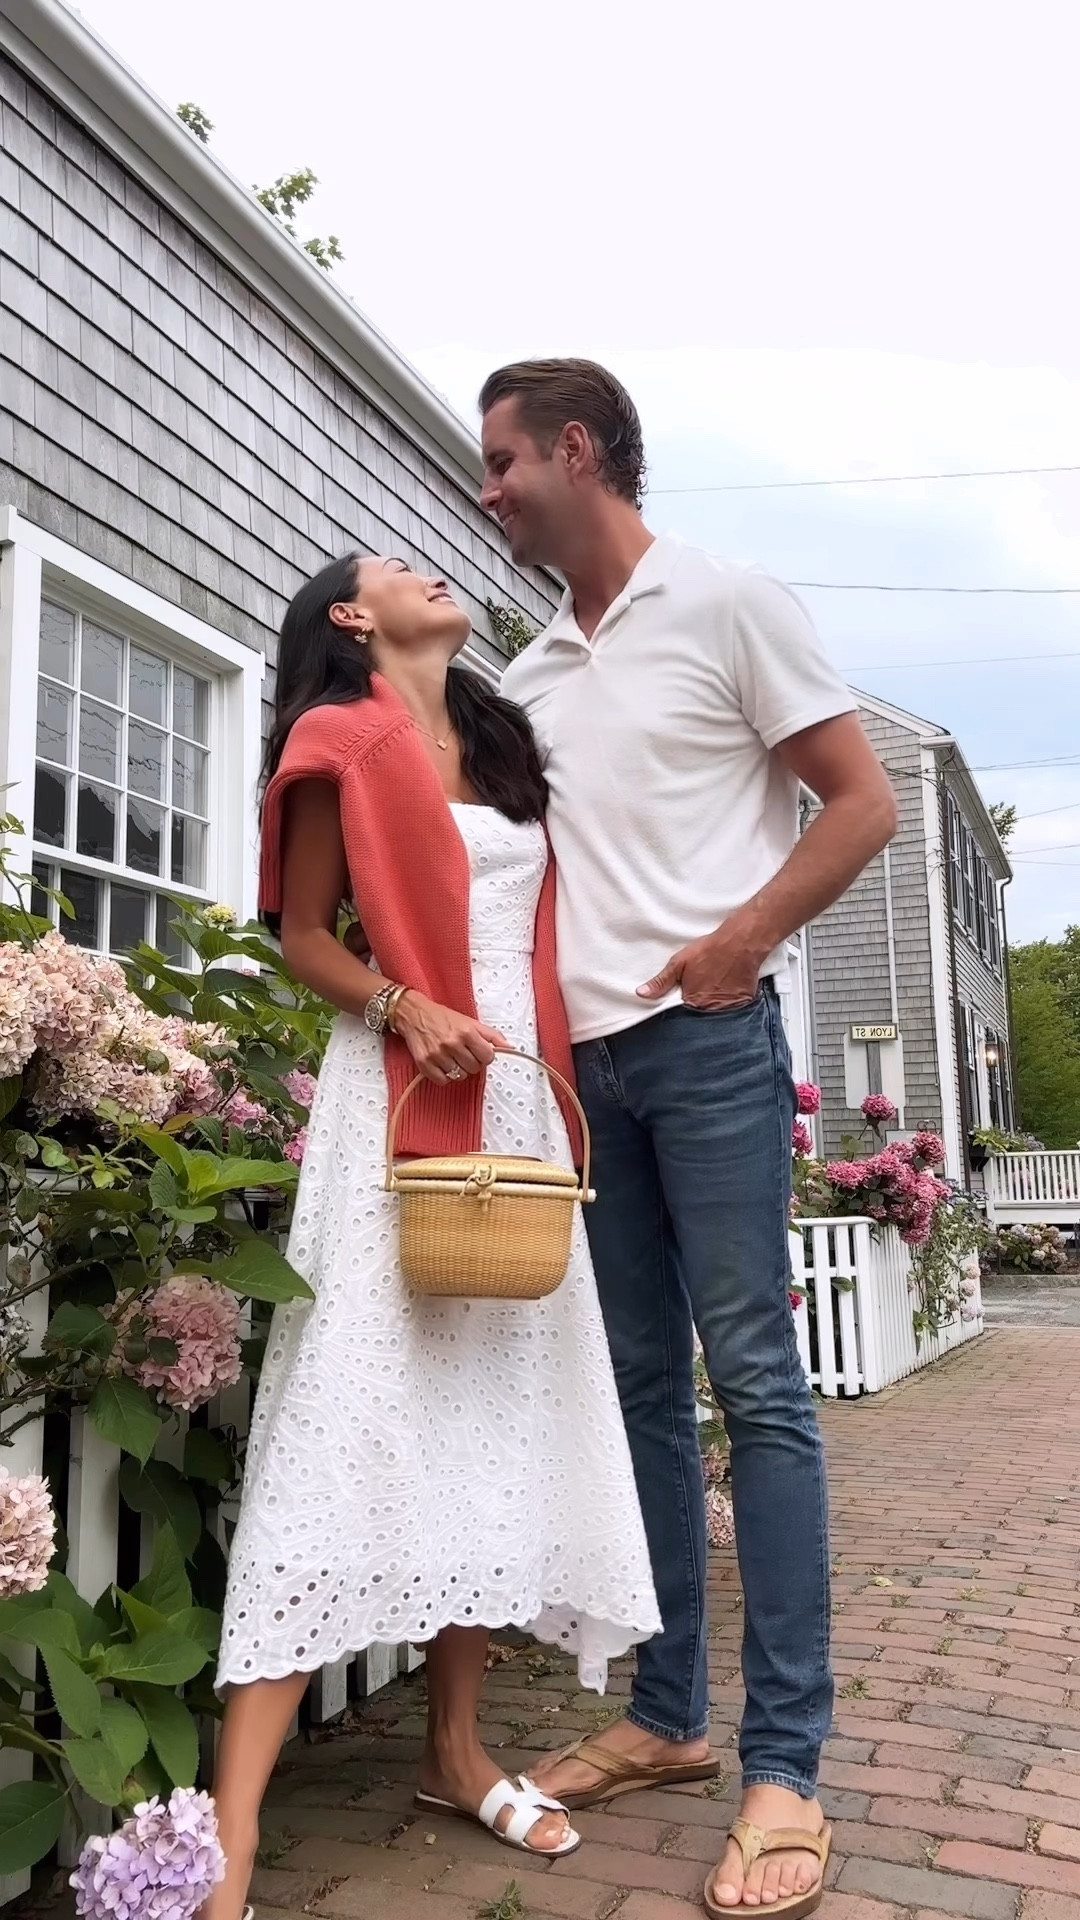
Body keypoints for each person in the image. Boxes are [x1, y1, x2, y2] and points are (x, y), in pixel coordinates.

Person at [483, 359, 899, 1920]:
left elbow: (860, 806)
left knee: (760, 1390)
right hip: (592, 1076)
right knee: (645, 1391)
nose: (491, 490)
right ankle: (668, 1715)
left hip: (715, 1046)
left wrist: (741, 947)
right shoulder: (527, 671)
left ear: (579, 449)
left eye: (506, 459)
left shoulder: (730, 600)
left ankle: (784, 1760)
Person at [206, 551, 661, 1920]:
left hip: (521, 1097)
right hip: (405, 1086)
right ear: (354, 616)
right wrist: (405, 1007)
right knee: (345, 1417)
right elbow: (299, 932)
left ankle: (458, 1753)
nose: (429, 569)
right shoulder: (335, 737)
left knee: (491, 1420)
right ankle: (229, 1845)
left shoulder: (508, 741)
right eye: (393, 567)